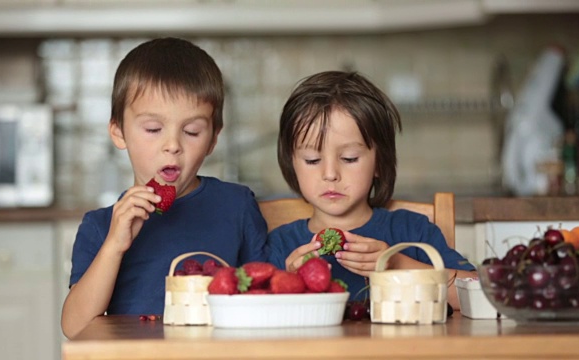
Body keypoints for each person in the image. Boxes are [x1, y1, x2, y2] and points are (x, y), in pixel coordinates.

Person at [61, 37, 268, 339]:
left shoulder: (237, 205)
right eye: (153, 129)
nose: (172, 145)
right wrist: (115, 246)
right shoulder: (101, 226)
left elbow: (267, 302)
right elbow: (74, 327)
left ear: (213, 139)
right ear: (118, 132)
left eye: (192, 131)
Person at [267, 71, 475, 307]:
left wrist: (397, 265)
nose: (330, 174)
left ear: (380, 162)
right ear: (292, 164)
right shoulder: (279, 245)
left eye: (349, 158)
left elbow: (476, 293)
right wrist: (287, 284)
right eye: (313, 160)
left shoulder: (412, 231)